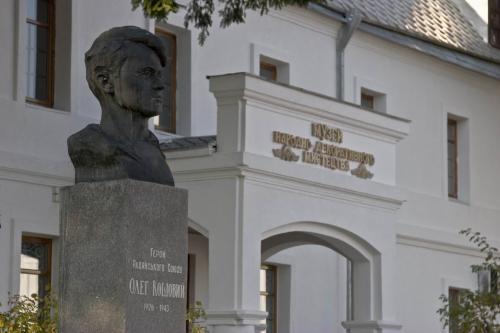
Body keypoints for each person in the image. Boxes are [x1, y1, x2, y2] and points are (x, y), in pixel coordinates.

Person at [68, 26, 175, 186]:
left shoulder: (154, 152)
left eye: (159, 76)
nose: (160, 85)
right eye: (147, 73)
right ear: (105, 81)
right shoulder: (87, 146)